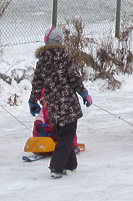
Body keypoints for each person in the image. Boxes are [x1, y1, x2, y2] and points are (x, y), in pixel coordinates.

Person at [28, 26, 92, 178]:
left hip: (53, 107)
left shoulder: (42, 61)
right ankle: (56, 167)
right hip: (68, 105)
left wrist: (32, 102)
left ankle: (70, 163)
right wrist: (84, 93)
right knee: (66, 135)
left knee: (63, 133)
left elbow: (37, 83)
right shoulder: (65, 58)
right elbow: (75, 78)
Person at [32, 89, 81, 154]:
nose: (46, 104)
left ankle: (73, 145)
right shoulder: (44, 110)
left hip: (57, 130)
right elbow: (40, 116)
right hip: (47, 130)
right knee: (36, 128)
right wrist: (38, 122)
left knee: (68, 129)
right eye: (43, 103)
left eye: (46, 102)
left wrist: (55, 125)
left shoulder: (58, 109)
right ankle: (37, 144)